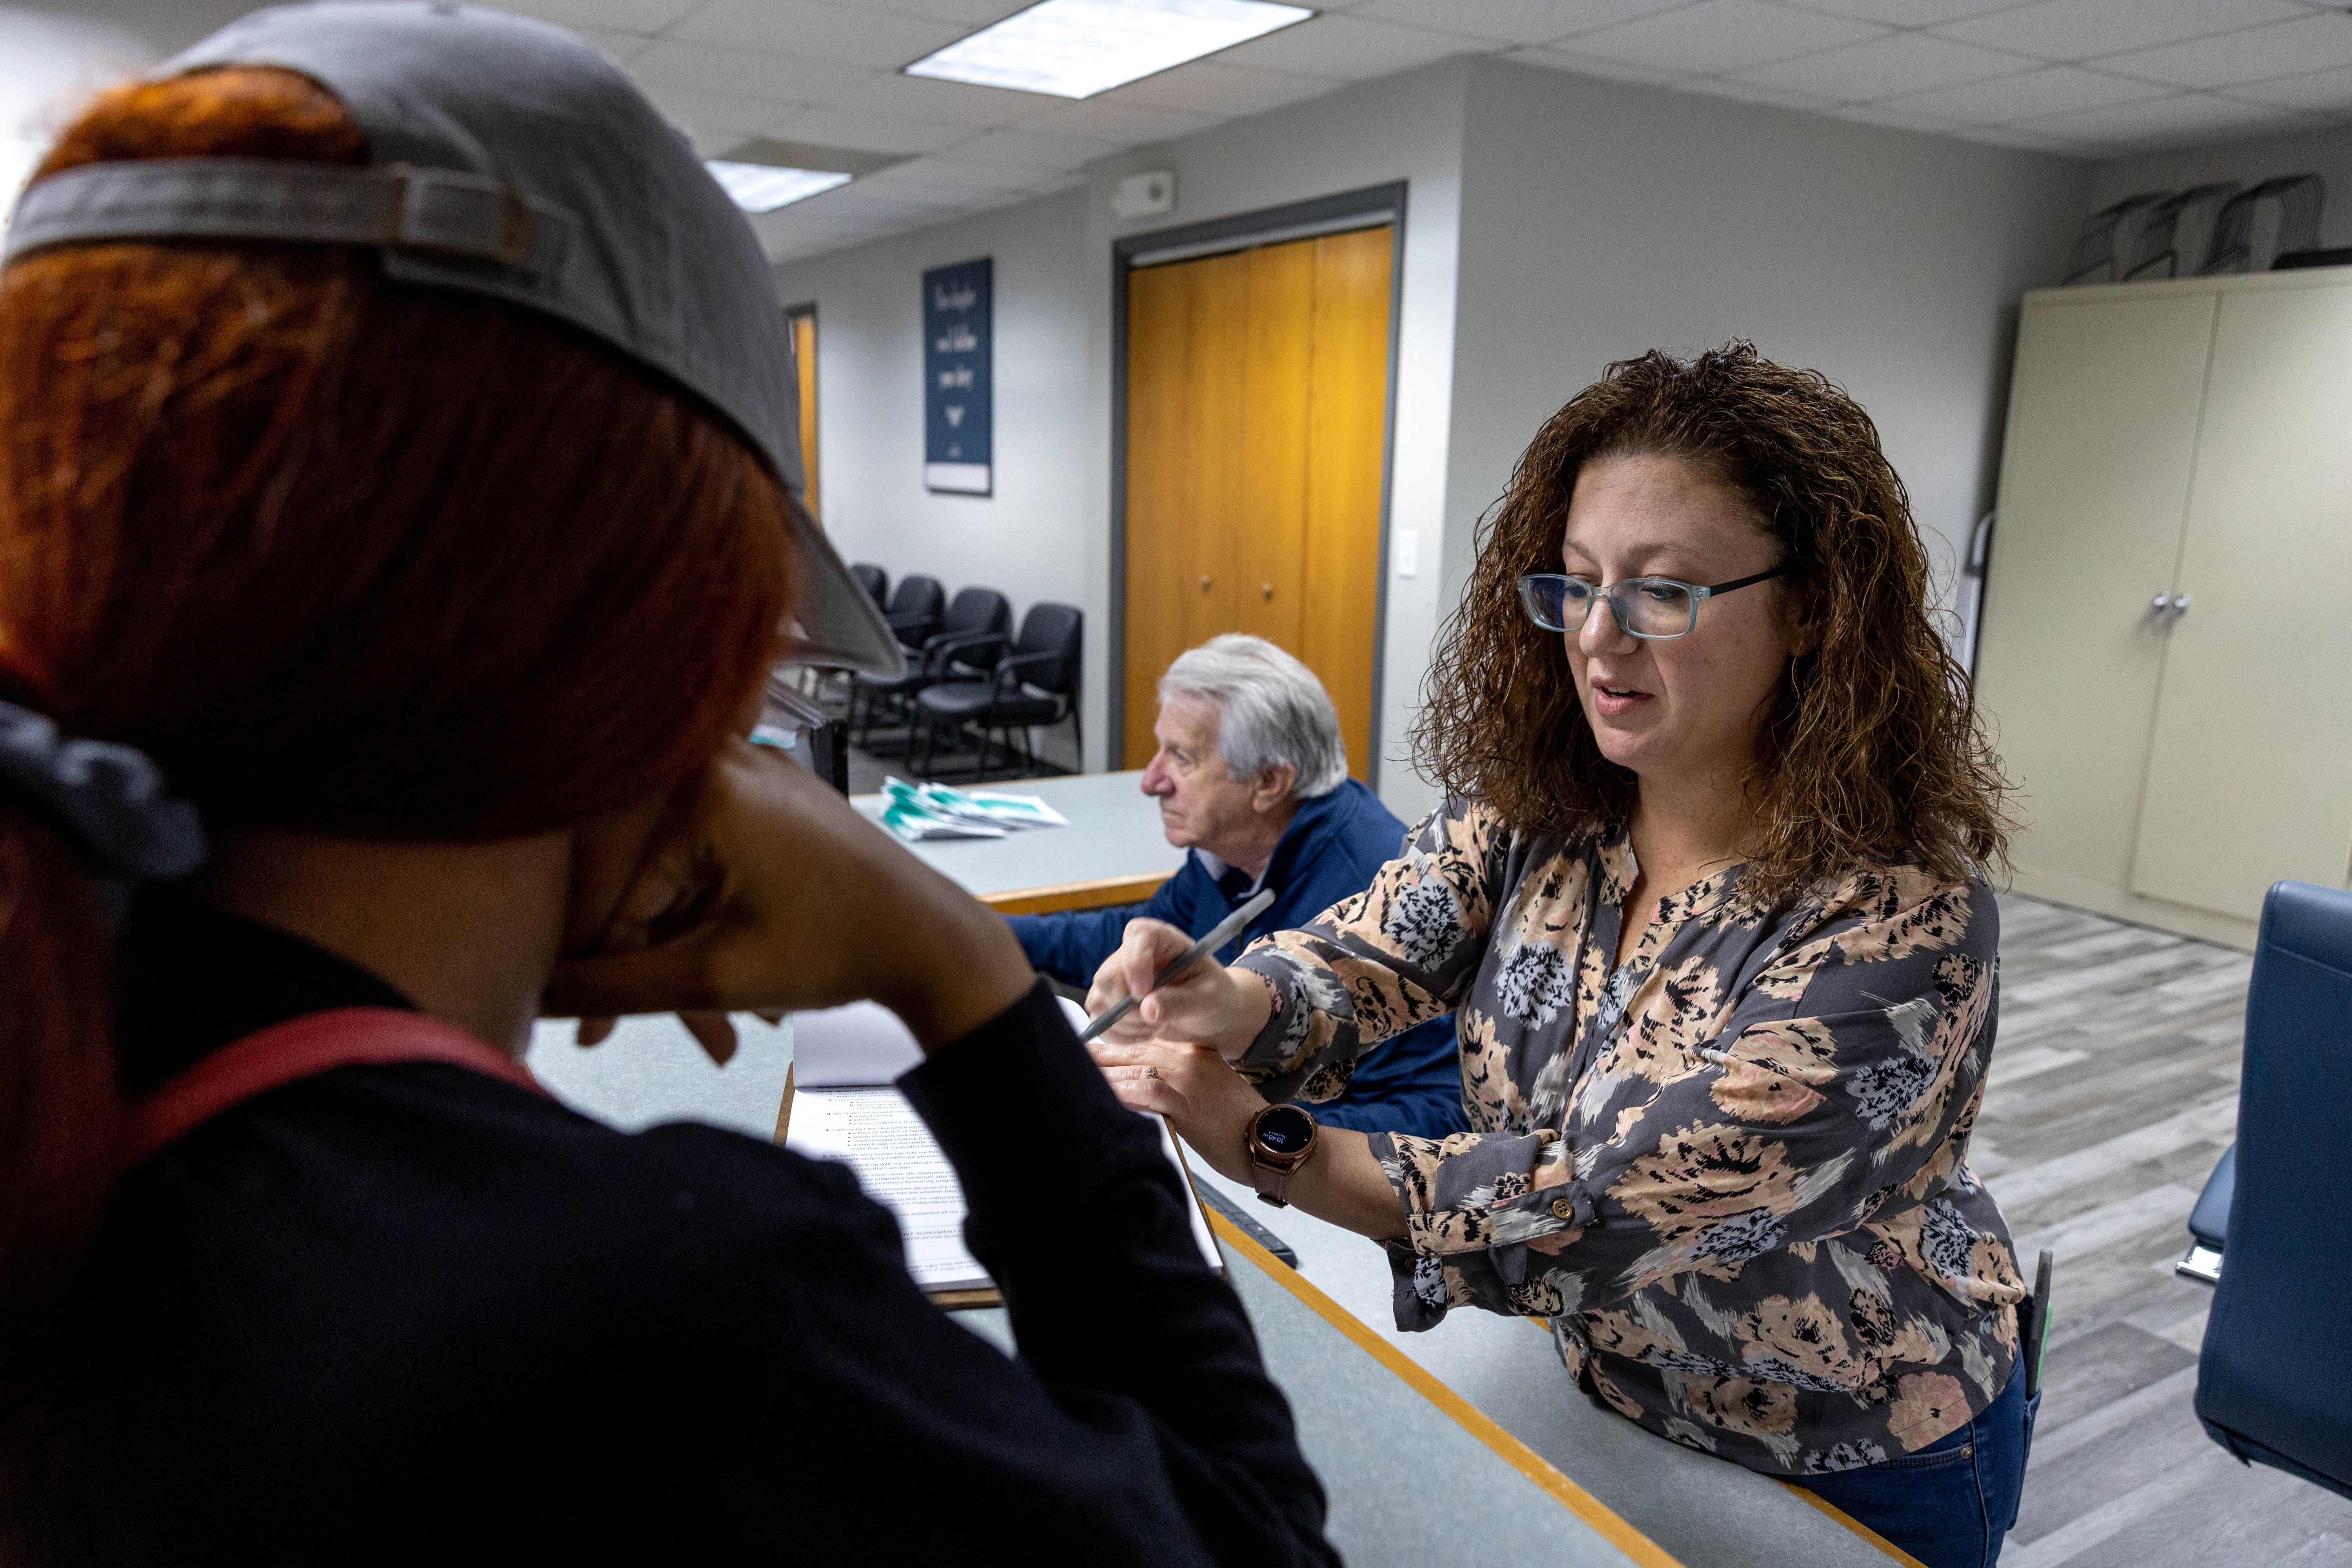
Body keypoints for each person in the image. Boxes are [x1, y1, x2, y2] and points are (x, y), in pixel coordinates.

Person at [0, 7, 1334, 1563]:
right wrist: (950, 963)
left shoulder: (73, 1063)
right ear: (650, 638)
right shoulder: (656, 1306)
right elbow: (1251, 1538)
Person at [1087, 345, 2035, 1568]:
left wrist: (1275, 1145)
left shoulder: (1899, 920)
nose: (1597, 636)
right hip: (1604, 1389)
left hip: (1847, 1450)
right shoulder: (1539, 811)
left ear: (1810, 608)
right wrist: (1229, 996)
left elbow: (1597, 1203)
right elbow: (1370, 952)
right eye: (1574, 584)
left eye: (1659, 592)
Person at [1011, 636, 1465, 1138]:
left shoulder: (1385, 893)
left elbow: (1436, 1114)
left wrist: (1237, 1123)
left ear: (1268, 782)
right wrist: (982, 931)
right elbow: (1133, 938)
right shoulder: (1232, 850)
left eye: (1181, 758)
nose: (1151, 780)